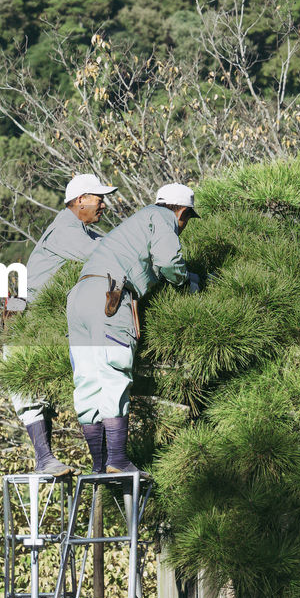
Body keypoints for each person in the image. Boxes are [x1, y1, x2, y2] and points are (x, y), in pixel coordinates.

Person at [66, 182, 200, 475]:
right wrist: (185, 281)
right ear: (182, 211)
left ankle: (100, 464)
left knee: (88, 380)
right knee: (114, 372)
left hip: (79, 297)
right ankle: (117, 459)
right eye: (188, 218)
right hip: (110, 296)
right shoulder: (162, 218)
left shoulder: (134, 224)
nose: (185, 224)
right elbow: (168, 261)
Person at [9, 172, 116, 475]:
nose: (104, 205)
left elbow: (112, 245)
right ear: (81, 200)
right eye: (99, 198)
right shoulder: (66, 232)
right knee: (32, 392)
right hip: (30, 321)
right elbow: (108, 255)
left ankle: (103, 461)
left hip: (54, 322)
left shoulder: (81, 230)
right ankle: (45, 458)